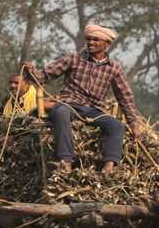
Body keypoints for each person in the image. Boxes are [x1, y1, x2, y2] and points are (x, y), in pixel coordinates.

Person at [26, 24, 143, 173]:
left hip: (95, 110)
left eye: (96, 39)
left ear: (107, 44)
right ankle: (65, 162)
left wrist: (134, 125)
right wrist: (31, 72)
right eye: (88, 39)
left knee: (117, 126)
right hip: (69, 104)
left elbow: (125, 97)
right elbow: (44, 76)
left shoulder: (114, 68)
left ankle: (109, 167)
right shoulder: (72, 59)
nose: (91, 42)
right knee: (61, 113)